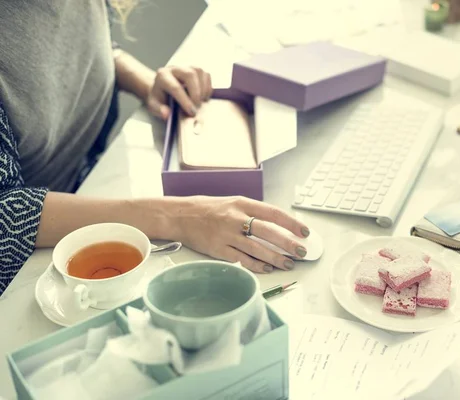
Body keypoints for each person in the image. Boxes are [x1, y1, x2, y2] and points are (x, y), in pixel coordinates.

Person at [0, 1, 309, 296]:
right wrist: (179, 218)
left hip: (93, 183)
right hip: (34, 263)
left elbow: (65, 45)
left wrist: (147, 83)